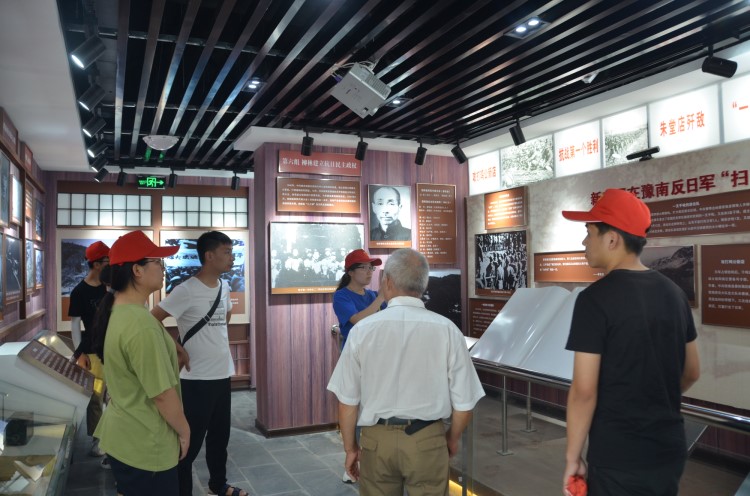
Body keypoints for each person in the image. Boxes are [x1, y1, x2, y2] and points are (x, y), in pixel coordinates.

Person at [561, 189, 701, 496]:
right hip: (669, 448)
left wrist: (573, 456)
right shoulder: (675, 294)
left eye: (589, 233)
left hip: (619, 453)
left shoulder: (594, 300)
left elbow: (584, 391)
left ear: (612, 239)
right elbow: (692, 371)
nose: (584, 242)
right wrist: (652, 398)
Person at [327, 248, 485, 496]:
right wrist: (451, 439)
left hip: (376, 441)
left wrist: (350, 449)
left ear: (387, 282)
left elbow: (347, 401)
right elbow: (465, 403)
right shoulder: (448, 330)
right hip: (428, 438)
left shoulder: (362, 332)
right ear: (423, 284)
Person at [91, 230, 189, 496]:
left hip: (125, 436)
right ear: (137, 270)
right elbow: (162, 394)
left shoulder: (119, 311)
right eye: (158, 262)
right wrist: (184, 431)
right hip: (145, 443)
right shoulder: (141, 325)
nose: (163, 268)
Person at [152, 231, 248, 496]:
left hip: (222, 373)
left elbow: (225, 318)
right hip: (196, 379)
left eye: (232, 252)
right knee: (189, 442)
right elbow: (152, 319)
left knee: (220, 437)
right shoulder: (186, 290)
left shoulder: (224, 286)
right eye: (227, 252)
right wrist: (176, 346)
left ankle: (218, 484)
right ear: (209, 255)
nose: (232, 258)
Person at [68, 240, 109, 458]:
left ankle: (114, 436)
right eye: (106, 260)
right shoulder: (79, 292)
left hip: (113, 347)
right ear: (96, 264)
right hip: (92, 350)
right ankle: (97, 439)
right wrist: (79, 353)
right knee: (95, 397)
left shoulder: (109, 288)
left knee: (113, 395)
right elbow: (75, 323)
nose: (110, 264)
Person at [333, 249, 385, 350]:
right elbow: (357, 320)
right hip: (354, 350)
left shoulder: (372, 295)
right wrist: (381, 297)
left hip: (374, 349)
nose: (369, 272)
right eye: (364, 267)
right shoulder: (341, 296)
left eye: (371, 267)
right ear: (351, 272)